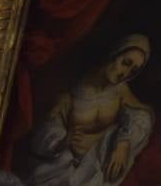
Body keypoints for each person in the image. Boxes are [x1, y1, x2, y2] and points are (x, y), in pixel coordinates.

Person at [27, 35, 154, 186]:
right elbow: (45, 131)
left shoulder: (120, 91)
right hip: (60, 169)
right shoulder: (72, 88)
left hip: (94, 172)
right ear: (115, 53)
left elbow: (141, 117)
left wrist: (123, 142)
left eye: (133, 71)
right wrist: (62, 142)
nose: (125, 73)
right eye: (125, 63)